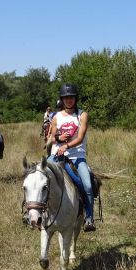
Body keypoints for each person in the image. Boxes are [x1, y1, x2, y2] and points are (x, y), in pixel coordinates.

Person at [48, 83, 96, 232]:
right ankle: (34, 212)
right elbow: (51, 138)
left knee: (87, 185)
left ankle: (89, 217)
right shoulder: (56, 117)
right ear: (62, 100)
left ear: (75, 99)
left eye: (71, 97)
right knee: (38, 175)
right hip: (57, 155)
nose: (68, 100)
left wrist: (67, 146)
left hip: (77, 157)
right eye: (65, 98)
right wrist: (59, 137)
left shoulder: (82, 115)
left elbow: (80, 138)